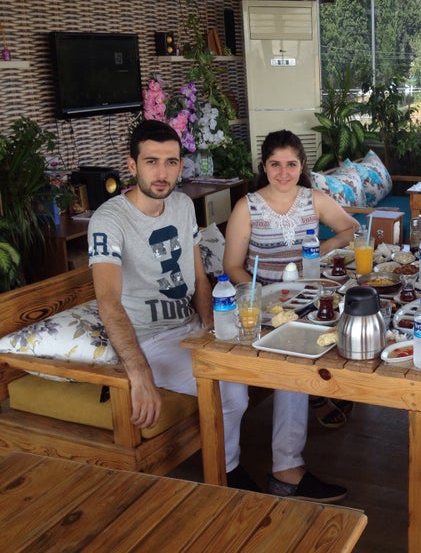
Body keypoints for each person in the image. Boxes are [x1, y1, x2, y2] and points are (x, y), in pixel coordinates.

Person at [87, 120, 258, 491]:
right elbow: (108, 300)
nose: (162, 173)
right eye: (151, 162)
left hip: (189, 327)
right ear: (132, 165)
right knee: (231, 391)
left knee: (265, 354)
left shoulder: (181, 204)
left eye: (171, 162)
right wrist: (139, 374)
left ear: (181, 165)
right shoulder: (108, 220)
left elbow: (198, 278)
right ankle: (226, 475)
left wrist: (212, 329)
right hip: (148, 339)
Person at [223, 129, 360, 502]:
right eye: (275, 165)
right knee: (287, 361)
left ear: (302, 167)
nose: (283, 173)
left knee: (304, 358)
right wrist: (260, 295)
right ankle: (276, 466)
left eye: (291, 165)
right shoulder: (247, 206)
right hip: (259, 306)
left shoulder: (312, 199)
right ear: (264, 166)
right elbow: (232, 266)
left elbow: (352, 228)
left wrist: (322, 245)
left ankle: (287, 466)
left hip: (306, 301)